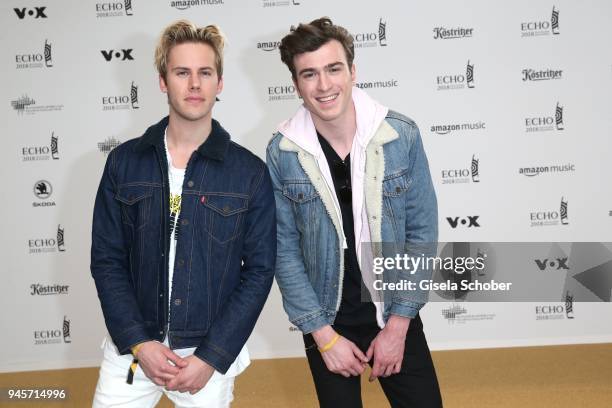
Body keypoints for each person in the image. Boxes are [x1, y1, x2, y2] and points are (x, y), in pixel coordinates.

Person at [90, 20, 276, 407]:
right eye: (182, 72)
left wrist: (212, 356)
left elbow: (259, 272)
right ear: (163, 81)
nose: (194, 84)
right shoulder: (124, 163)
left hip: (204, 358)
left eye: (205, 73)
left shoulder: (249, 173)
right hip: (133, 351)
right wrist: (140, 342)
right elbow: (107, 260)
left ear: (219, 82)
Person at [266, 17, 443, 407]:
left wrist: (397, 328)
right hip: (327, 318)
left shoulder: (400, 136)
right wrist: (323, 337)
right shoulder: (282, 153)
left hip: (396, 310)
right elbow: (284, 252)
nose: (324, 85)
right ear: (295, 84)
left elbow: (422, 234)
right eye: (309, 74)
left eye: (333, 69)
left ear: (352, 71)